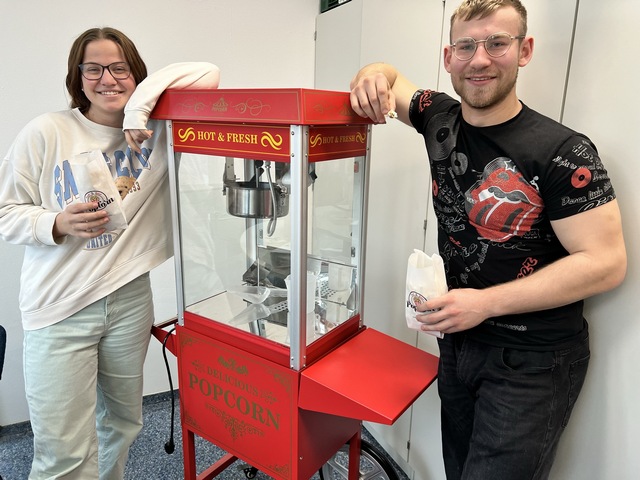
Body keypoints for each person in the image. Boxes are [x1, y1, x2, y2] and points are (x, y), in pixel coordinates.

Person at [349, 1, 626, 479]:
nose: (479, 59)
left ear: (524, 50)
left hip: (532, 361)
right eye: (466, 46)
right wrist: (372, 72)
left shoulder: (562, 151)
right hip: (458, 342)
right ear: (448, 56)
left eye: (497, 43)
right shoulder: (439, 118)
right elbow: (389, 81)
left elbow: (605, 262)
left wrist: (484, 304)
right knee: (459, 469)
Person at [0, 27, 220, 479]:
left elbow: (208, 74)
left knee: (122, 423)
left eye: (120, 67)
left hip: (129, 298)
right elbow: (5, 212)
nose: (108, 79)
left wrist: (139, 109)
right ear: (77, 78)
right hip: (58, 307)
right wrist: (56, 223)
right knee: (63, 450)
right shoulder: (47, 131)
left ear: (137, 74)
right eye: (94, 68)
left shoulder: (156, 128)